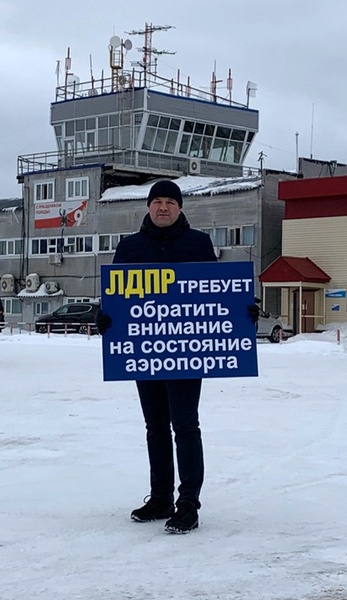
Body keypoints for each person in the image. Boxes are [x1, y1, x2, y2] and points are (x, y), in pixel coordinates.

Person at [96, 179, 218, 534]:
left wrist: (243, 313)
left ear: (180, 208)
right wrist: (105, 319)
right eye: (157, 201)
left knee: (185, 425)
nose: (163, 207)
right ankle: (161, 497)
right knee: (155, 428)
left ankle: (188, 504)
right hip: (144, 352)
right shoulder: (130, 247)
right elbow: (113, 299)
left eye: (170, 201)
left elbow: (217, 294)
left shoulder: (198, 244)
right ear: (148, 207)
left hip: (185, 353)